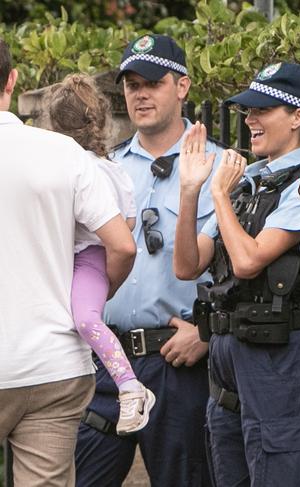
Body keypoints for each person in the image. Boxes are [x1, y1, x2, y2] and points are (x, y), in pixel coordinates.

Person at [173, 62, 300, 486]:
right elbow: (186, 264)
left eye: (262, 109)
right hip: (228, 349)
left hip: (274, 352)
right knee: (229, 470)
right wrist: (190, 191)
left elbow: (250, 260)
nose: (249, 119)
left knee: (280, 469)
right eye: (247, 110)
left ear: (297, 117)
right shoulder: (248, 182)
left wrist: (218, 193)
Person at [74, 34, 224, 486]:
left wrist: (209, 329)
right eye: (131, 84)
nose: (140, 93)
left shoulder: (219, 167)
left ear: (182, 87)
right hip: (107, 359)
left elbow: (238, 268)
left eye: (153, 82)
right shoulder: (104, 167)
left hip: (177, 361)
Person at [0, 38, 135, 486]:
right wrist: (93, 299)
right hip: (53, 366)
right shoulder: (64, 154)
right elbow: (122, 245)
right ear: (12, 79)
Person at [48, 73, 156, 436]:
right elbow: (127, 220)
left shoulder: (72, 168)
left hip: (87, 256)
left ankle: (130, 386)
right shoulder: (115, 170)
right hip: (79, 256)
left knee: (86, 319)